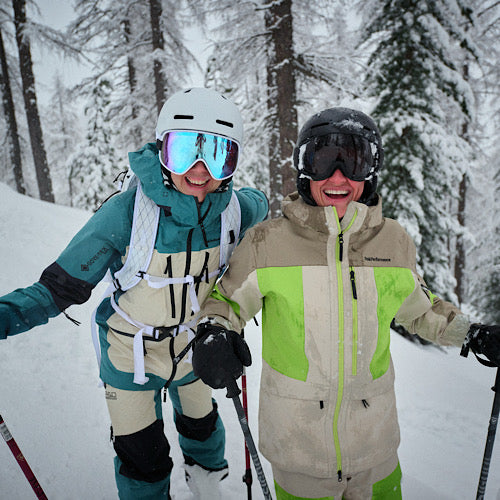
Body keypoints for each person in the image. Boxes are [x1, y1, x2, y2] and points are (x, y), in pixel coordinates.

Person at [191, 107, 500, 500]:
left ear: (371, 170)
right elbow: (225, 303)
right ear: (305, 169)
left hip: (376, 451)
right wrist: (213, 332)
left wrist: (470, 335)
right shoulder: (267, 243)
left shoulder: (393, 241)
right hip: (298, 453)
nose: (337, 177)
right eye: (322, 160)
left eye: (353, 161)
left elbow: (421, 311)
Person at [0, 87, 268, 500]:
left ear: (232, 163)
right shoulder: (127, 214)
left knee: (204, 430)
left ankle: (208, 489)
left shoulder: (236, 210)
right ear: (162, 151)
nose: (199, 170)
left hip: (195, 344)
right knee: (142, 457)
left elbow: (269, 208)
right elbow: (56, 289)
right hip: (132, 352)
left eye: (216, 154)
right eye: (184, 153)